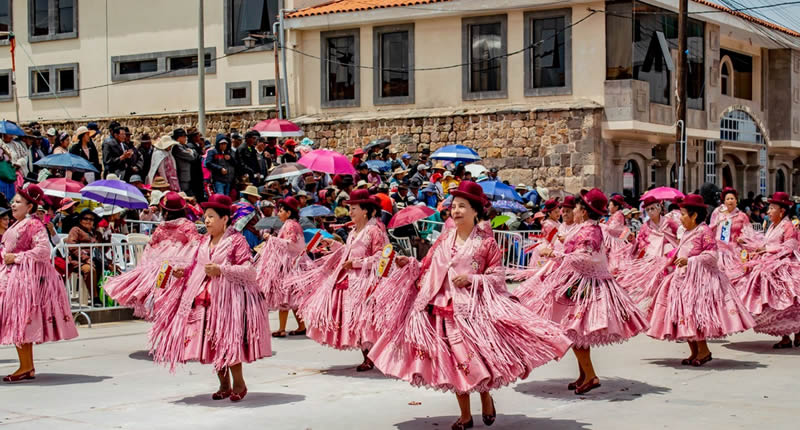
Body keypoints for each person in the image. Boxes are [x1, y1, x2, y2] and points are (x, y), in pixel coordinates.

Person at [369, 181, 572, 430]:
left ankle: (485, 396)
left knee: (476, 362)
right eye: (453, 206)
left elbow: (497, 278)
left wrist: (472, 279)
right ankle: (465, 415)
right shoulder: (444, 240)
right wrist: (407, 262)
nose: (455, 211)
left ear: (476, 211)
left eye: (462, 206)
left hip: (474, 313)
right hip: (442, 309)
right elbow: (426, 267)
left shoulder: (486, 244)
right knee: (455, 363)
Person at [522, 188, 649, 394]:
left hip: (584, 285)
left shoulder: (589, 230)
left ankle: (590, 376)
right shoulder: (588, 228)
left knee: (573, 332)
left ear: (584, 210)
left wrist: (553, 253)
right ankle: (584, 374)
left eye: (578, 207)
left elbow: (585, 257)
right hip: (583, 283)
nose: (575, 210)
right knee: (577, 332)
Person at [149, 194, 270, 402]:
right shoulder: (204, 241)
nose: (207, 221)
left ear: (225, 219)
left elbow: (249, 270)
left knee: (228, 341)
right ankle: (223, 384)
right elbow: (196, 265)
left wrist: (221, 269)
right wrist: (181, 271)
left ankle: (239, 383)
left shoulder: (236, 241)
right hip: (205, 297)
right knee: (212, 341)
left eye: (212, 216)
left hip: (229, 299)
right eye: (205, 217)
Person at [645, 194, 754, 365]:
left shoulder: (704, 231)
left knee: (695, 316)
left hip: (700, 281)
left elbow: (712, 255)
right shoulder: (688, 231)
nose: (680, 218)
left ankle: (703, 351)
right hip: (682, 278)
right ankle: (694, 351)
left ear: (694, 215)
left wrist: (690, 261)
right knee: (684, 316)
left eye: (683, 214)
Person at [291, 189, 389, 371]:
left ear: (365, 210)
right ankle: (368, 356)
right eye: (350, 208)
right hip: (351, 279)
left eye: (353, 208)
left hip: (367, 281)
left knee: (364, 320)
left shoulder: (374, 231)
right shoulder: (353, 231)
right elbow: (347, 251)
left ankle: (373, 356)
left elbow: (382, 257)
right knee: (355, 319)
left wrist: (358, 263)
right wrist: (333, 244)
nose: (350, 212)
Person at [0, 184, 78, 382]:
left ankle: (26, 366)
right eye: (13, 201)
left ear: (29, 206)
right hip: (15, 278)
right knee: (19, 322)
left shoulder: (33, 225)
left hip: (25, 281)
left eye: (18, 202)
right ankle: (26, 366)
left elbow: (43, 251)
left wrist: (15, 258)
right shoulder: (18, 224)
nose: (13, 204)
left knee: (20, 321)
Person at [104, 192, 202, 320]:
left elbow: (151, 244)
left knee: (159, 290)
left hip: (161, 266)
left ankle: (157, 312)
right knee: (174, 294)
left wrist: (144, 265)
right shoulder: (187, 225)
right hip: (179, 267)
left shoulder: (162, 226)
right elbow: (195, 244)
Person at [735, 192, 800, 348]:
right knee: (775, 305)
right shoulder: (771, 225)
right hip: (770, 262)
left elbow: (790, 247)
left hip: (784, 265)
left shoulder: (788, 226)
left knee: (790, 303)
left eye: (772, 208)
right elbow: (766, 243)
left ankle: (798, 333)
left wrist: (768, 250)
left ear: (782, 210)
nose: (768, 211)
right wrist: (754, 247)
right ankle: (785, 337)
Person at [255, 197, 310, 337]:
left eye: (280, 211)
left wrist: (271, 239)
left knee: (284, 298)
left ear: (288, 212)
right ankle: (301, 326)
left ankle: (281, 329)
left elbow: (290, 244)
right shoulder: (292, 224)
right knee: (291, 299)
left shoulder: (290, 225)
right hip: (293, 263)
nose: (278, 213)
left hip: (290, 265)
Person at [709, 187, 758, 280]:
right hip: (719, 249)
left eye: (732, 198)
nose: (730, 201)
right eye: (727, 199)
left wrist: (742, 238)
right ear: (724, 201)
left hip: (734, 249)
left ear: (736, 201)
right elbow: (710, 228)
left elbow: (749, 233)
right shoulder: (718, 213)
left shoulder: (742, 216)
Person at [66, 208, 103, 306]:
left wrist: (107, 236)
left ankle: (110, 297)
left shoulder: (97, 233)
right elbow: (72, 248)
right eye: (85, 218)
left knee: (114, 268)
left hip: (95, 259)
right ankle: (95, 298)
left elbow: (103, 250)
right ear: (80, 220)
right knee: (89, 269)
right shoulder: (76, 230)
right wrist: (86, 259)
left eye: (91, 219)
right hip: (77, 261)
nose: (88, 221)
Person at [171, 128, 198, 196]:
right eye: (184, 137)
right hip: (182, 177)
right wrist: (192, 151)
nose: (185, 139)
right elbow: (191, 157)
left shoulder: (183, 146)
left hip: (187, 175)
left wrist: (191, 151)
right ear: (179, 137)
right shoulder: (177, 147)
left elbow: (195, 154)